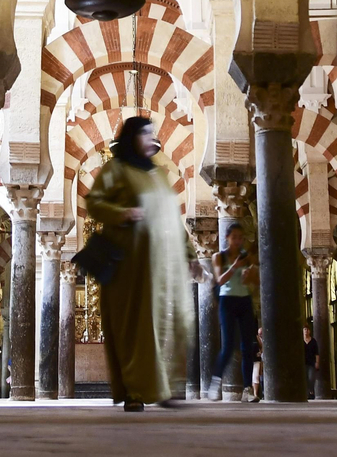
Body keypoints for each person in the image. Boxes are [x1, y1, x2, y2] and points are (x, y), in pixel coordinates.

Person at [84, 116, 203, 411]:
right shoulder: (115, 169)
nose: (151, 139)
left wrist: (190, 255)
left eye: (152, 134)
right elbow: (94, 203)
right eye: (145, 134)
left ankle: (158, 387)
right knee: (131, 329)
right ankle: (134, 392)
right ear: (132, 138)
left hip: (156, 266)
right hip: (125, 265)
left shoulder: (157, 174)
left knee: (159, 325)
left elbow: (171, 219)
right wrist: (123, 213)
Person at [204, 223, 257, 401]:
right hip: (227, 302)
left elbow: (256, 281)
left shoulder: (247, 257)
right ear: (227, 238)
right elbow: (220, 280)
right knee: (227, 346)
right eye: (234, 237)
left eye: (240, 238)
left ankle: (248, 389)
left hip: (244, 301)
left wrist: (249, 275)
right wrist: (235, 266)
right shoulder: (219, 257)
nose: (237, 241)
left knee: (247, 347)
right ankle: (215, 383)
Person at [304, 324, 320, 399]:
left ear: (309, 331)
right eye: (305, 329)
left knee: (311, 378)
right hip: (303, 363)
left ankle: (311, 391)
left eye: (307, 329)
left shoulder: (313, 341)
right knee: (305, 378)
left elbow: (316, 353)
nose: (306, 331)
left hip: (311, 363)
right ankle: (307, 393)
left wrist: (317, 362)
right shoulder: (301, 341)